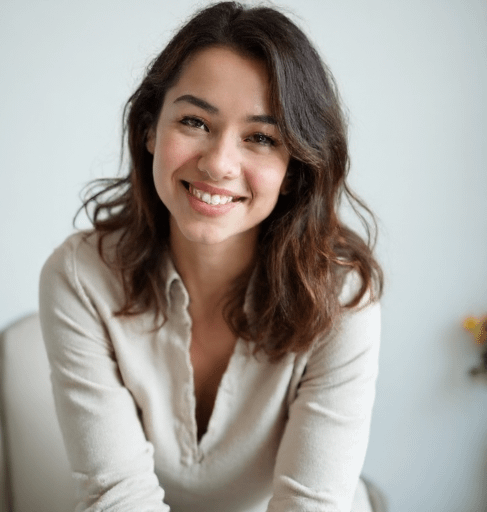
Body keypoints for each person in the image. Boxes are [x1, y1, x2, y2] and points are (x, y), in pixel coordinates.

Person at [39, 2, 383, 511]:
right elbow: (117, 498)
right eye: (196, 122)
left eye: (261, 137)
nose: (219, 163)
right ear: (151, 129)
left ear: (295, 167)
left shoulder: (343, 295)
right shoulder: (80, 276)